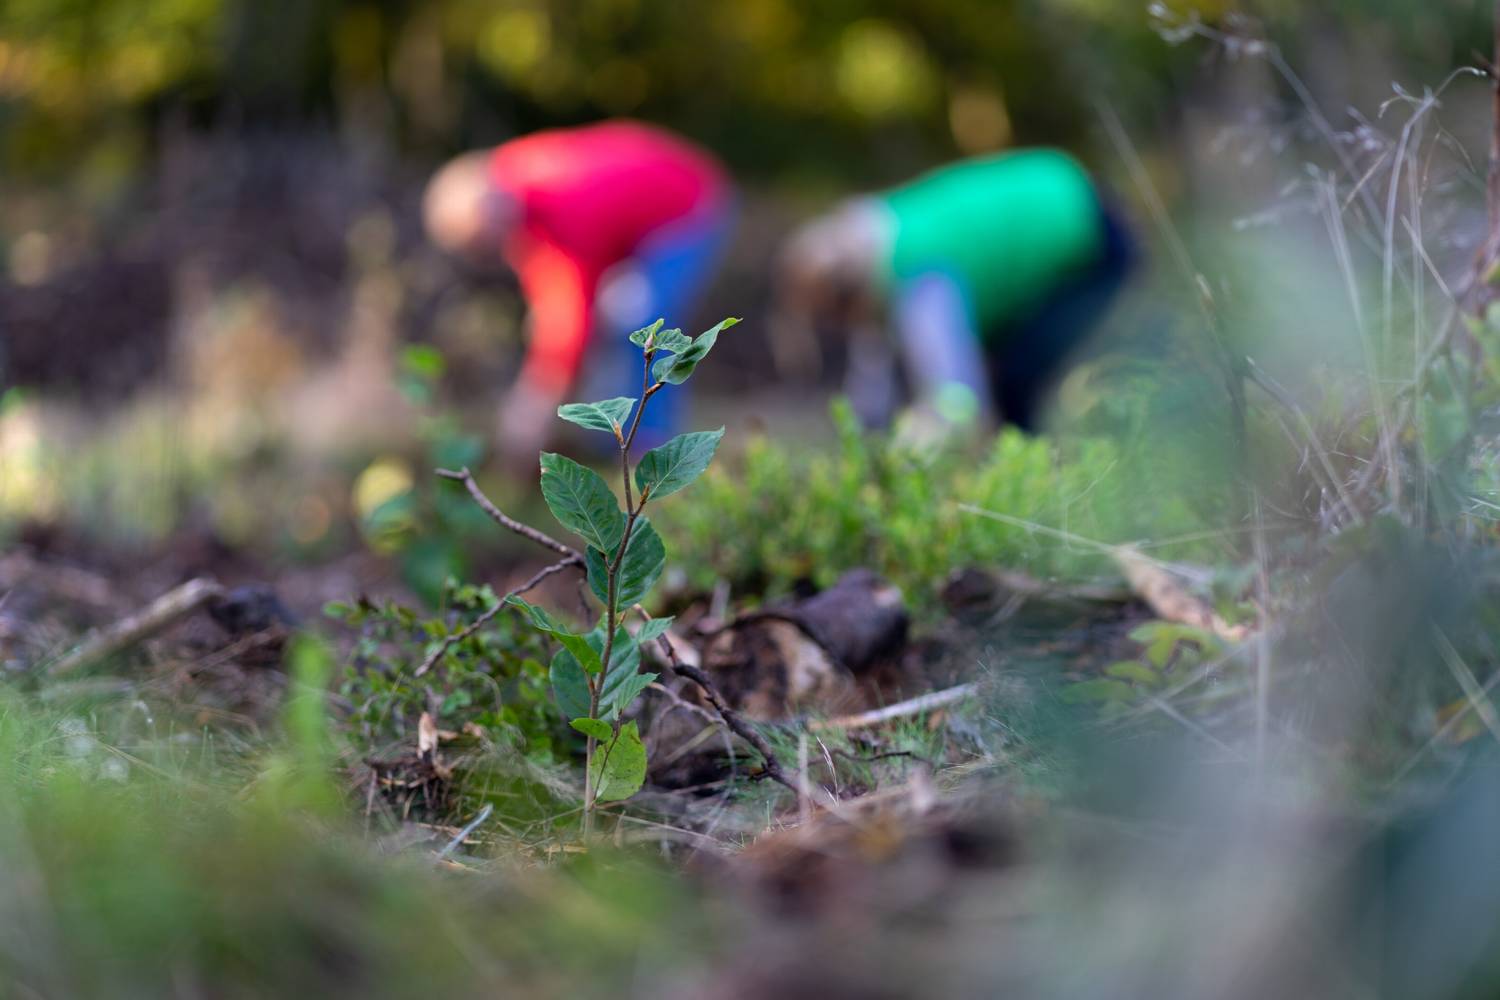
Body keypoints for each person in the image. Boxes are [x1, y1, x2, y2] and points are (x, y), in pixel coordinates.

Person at [423, 121, 735, 461]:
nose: (491, 255)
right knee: (613, 317)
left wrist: (535, 401)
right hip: (645, 201)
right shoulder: (508, 176)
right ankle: (609, 438)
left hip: (684, 206)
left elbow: (570, 317)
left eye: (485, 245)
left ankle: (653, 451)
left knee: (641, 321)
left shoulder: (562, 210)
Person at [777, 148, 1134, 435]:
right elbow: (872, 373)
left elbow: (959, 401)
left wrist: (914, 442)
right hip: (1058, 178)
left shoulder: (922, 281)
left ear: (851, 298)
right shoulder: (880, 232)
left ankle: (1038, 496)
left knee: (1015, 380)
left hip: (1087, 230)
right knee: (999, 361)